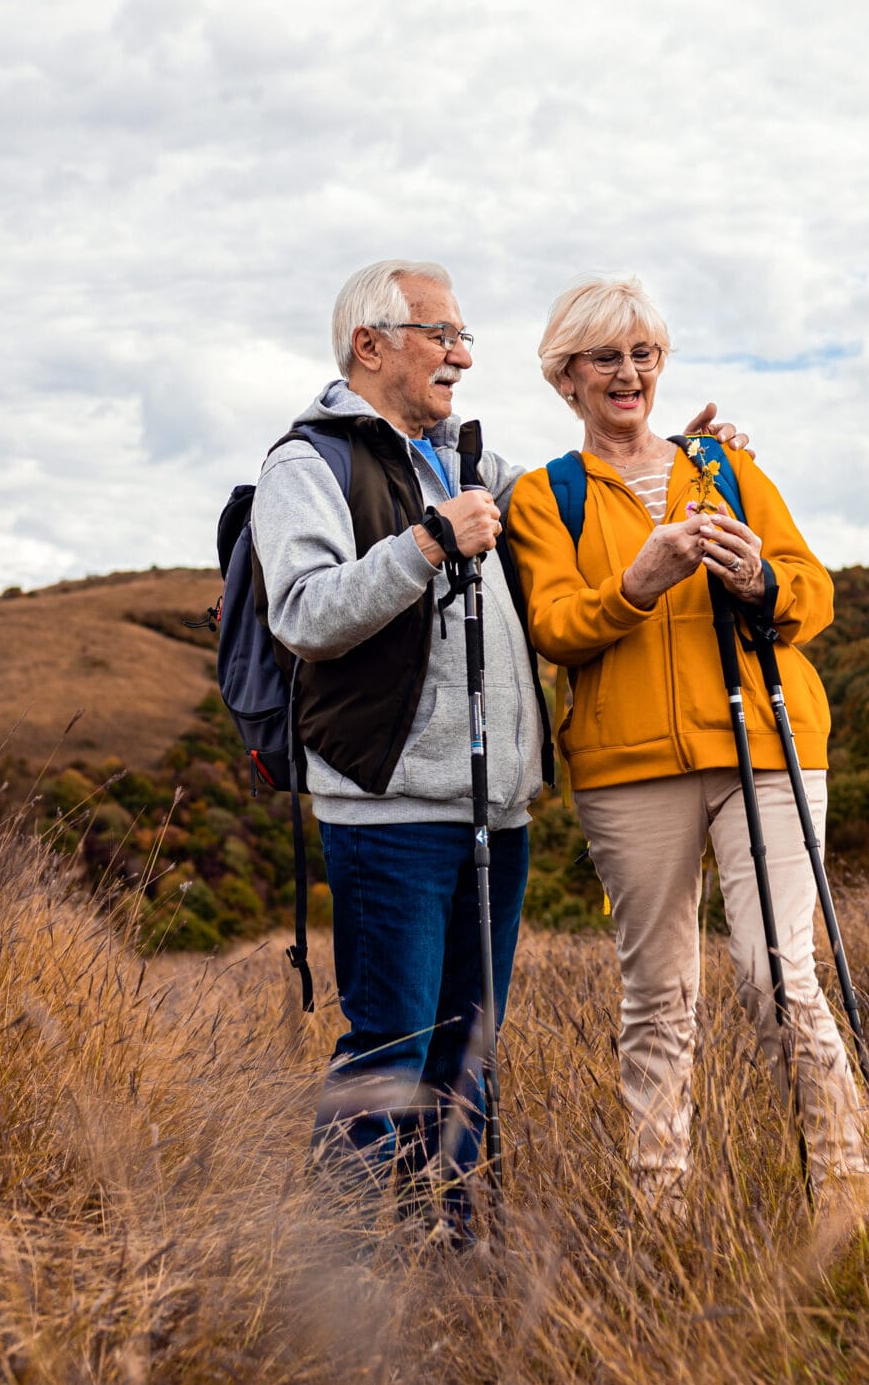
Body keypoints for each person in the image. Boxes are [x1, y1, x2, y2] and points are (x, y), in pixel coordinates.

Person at [250, 257, 752, 1246]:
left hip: (493, 808)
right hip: (390, 807)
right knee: (391, 1044)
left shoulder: (474, 460)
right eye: (442, 334)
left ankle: (455, 1247)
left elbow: (590, 501)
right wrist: (425, 545)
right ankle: (350, 1265)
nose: (462, 354)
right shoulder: (307, 464)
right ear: (371, 346)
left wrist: (670, 456)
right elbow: (304, 613)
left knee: (469, 1049)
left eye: (463, 335)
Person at [506, 274, 869, 1231]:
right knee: (659, 999)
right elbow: (553, 627)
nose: (627, 375)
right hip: (629, 770)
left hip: (766, 742)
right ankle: (659, 1218)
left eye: (644, 355)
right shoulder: (545, 498)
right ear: (566, 377)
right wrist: (637, 583)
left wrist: (757, 578)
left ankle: (846, 1200)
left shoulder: (725, 467)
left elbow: (812, 590)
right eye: (604, 358)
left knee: (778, 977)